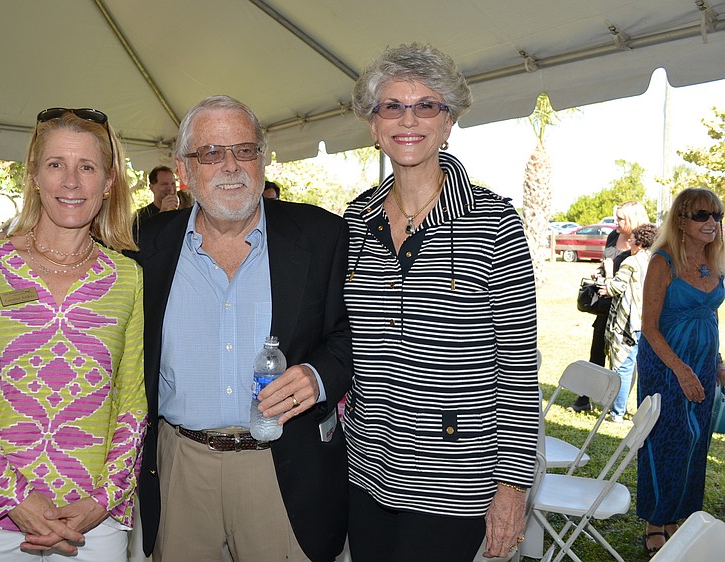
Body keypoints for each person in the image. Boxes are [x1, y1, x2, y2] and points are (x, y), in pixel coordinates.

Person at [131, 95, 352, 562]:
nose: (231, 166)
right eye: (211, 153)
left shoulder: (321, 235)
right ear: (184, 171)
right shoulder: (145, 246)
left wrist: (317, 376)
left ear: (263, 160)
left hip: (283, 469)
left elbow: (354, 333)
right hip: (181, 467)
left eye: (245, 150)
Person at [342, 43, 540, 561]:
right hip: (364, 472)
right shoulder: (352, 223)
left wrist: (513, 490)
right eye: (392, 106)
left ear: (449, 121)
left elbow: (518, 364)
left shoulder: (494, 223)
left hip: (452, 483)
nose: (409, 119)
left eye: (426, 105)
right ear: (374, 123)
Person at [0, 107, 147, 561]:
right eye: (56, 165)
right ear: (33, 175)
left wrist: (102, 500)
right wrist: (15, 498)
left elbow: (132, 401)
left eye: (86, 167)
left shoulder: (128, 278)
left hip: (92, 522)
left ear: (108, 183)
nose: (71, 182)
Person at [636, 188, 725, 557]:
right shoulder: (663, 261)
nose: (712, 223)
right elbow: (649, 327)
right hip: (666, 365)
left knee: (696, 440)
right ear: (682, 221)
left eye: (717, 216)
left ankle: (681, 516)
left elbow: (710, 314)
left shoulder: (715, 260)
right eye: (703, 215)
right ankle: (657, 521)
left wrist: (716, 364)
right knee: (665, 441)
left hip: (702, 365)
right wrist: (682, 371)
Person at [570, 200, 650, 412]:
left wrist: (611, 273)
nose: (616, 222)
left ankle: (620, 406)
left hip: (629, 310)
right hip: (606, 305)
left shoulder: (646, 242)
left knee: (626, 359)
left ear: (633, 219)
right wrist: (600, 270)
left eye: (621, 218)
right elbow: (608, 261)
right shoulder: (614, 237)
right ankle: (584, 398)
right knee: (597, 351)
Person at [600, 223, 658, 423]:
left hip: (629, 323)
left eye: (632, 238)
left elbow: (615, 288)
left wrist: (608, 273)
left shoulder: (631, 262)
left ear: (640, 242)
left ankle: (617, 412)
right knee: (642, 369)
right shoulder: (654, 260)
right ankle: (645, 411)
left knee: (623, 366)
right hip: (650, 323)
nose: (629, 241)